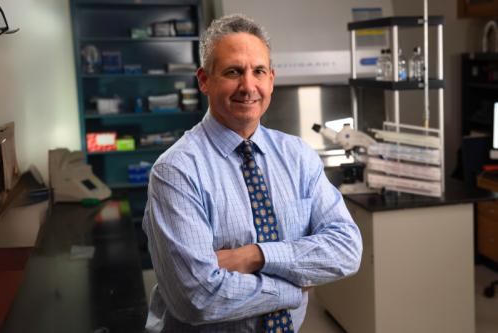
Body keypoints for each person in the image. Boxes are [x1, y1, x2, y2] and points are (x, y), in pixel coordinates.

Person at [143, 14, 362, 333]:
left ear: (271, 78)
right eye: (233, 72)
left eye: (258, 71)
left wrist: (255, 256)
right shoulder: (177, 170)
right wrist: (292, 290)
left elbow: (346, 249)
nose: (248, 86)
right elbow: (197, 297)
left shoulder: (298, 155)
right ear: (204, 80)